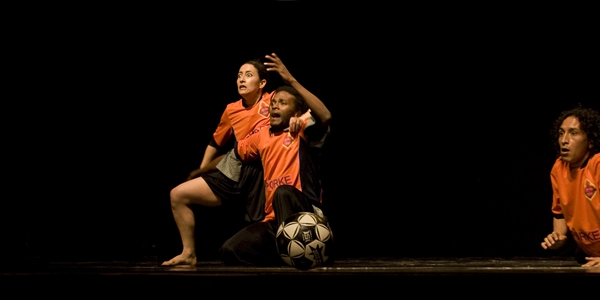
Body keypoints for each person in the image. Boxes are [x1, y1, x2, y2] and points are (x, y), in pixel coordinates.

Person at [162, 55, 305, 267]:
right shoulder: (231, 109)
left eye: (248, 75)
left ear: (262, 83)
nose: (242, 79)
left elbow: (302, 110)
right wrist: (202, 170)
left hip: (262, 166)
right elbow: (216, 141)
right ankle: (189, 253)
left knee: (264, 219)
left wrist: (298, 119)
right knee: (178, 194)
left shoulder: (273, 99)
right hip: (236, 164)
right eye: (239, 75)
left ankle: (287, 251)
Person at [218, 53, 332, 266]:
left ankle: (311, 249)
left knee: (283, 193)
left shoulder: (301, 129)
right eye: (274, 102)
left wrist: (290, 80)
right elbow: (237, 151)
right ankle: (287, 256)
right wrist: (202, 171)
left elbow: (324, 115)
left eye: (283, 103)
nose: (275, 106)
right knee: (230, 250)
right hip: (275, 223)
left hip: (306, 218)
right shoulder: (261, 136)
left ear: (297, 111)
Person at [541, 105, 600, 268]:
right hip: (590, 256)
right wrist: (558, 236)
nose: (564, 140)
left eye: (573, 133)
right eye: (561, 133)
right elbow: (559, 212)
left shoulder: (597, 165)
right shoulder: (559, 168)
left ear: (590, 139)